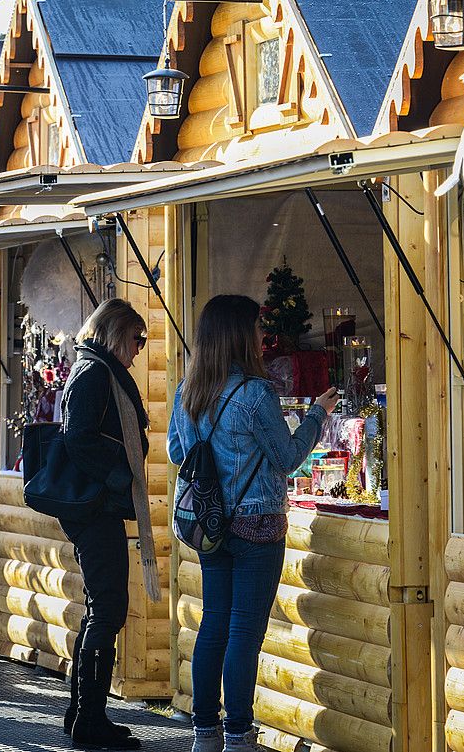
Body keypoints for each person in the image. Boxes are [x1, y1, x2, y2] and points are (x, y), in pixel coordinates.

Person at [168, 295, 338, 752]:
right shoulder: (255, 394)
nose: (264, 336)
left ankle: (205, 734)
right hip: (257, 523)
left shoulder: (189, 390)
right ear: (241, 336)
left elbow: (176, 453)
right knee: (244, 632)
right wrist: (317, 414)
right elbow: (287, 458)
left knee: (213, 626)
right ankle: (238, 735)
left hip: (208, 524)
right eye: (259, 328)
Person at [56, 298, 155, 750]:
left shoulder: (96, 369)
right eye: (137, 339)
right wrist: (119, 475)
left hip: (99, 505)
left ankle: (82, 712)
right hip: (95, 506)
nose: (140, 348)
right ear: (116, 333)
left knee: (103, 605)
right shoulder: (95, 373)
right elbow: (78, 438)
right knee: (109, 607)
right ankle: (90, 718)